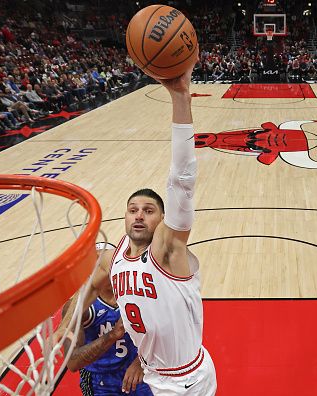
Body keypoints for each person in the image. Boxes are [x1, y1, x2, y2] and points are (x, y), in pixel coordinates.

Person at [59, 50, 217, 395]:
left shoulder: (167, 249)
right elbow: (83, 295)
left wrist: (180, 97)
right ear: (125, 216)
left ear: (164, 220)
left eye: (149, 210)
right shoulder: (111, 258)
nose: (140, 214)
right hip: (153, 377)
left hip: (188, 378)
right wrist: (73, 316)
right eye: (133, 209)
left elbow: (183, 179)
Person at [63, 246, 153, 396]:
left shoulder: (138, 292)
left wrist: (140, 362)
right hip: (98, 379)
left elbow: (162, 333)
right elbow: (72, 363)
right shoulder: (79, 308)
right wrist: (112, 335)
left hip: (136, 369)